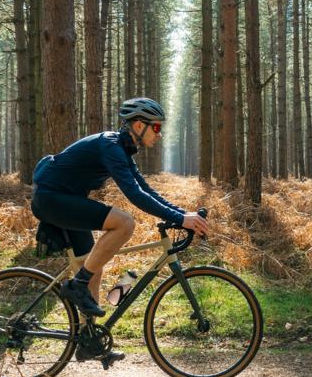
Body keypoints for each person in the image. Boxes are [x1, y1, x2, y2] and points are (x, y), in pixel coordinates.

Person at [31, 97, 209, 320]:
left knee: (92, 269)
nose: (159, 133)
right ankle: (77, 285)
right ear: (138, 126)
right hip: (52, 199)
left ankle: (89, 339)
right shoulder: (110, 145)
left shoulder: (121, 150)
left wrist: (182, 214)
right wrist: (180, 219)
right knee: (125, 223)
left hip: (63, 199)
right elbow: (134, 195)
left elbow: (146, 190)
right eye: (156, 127)